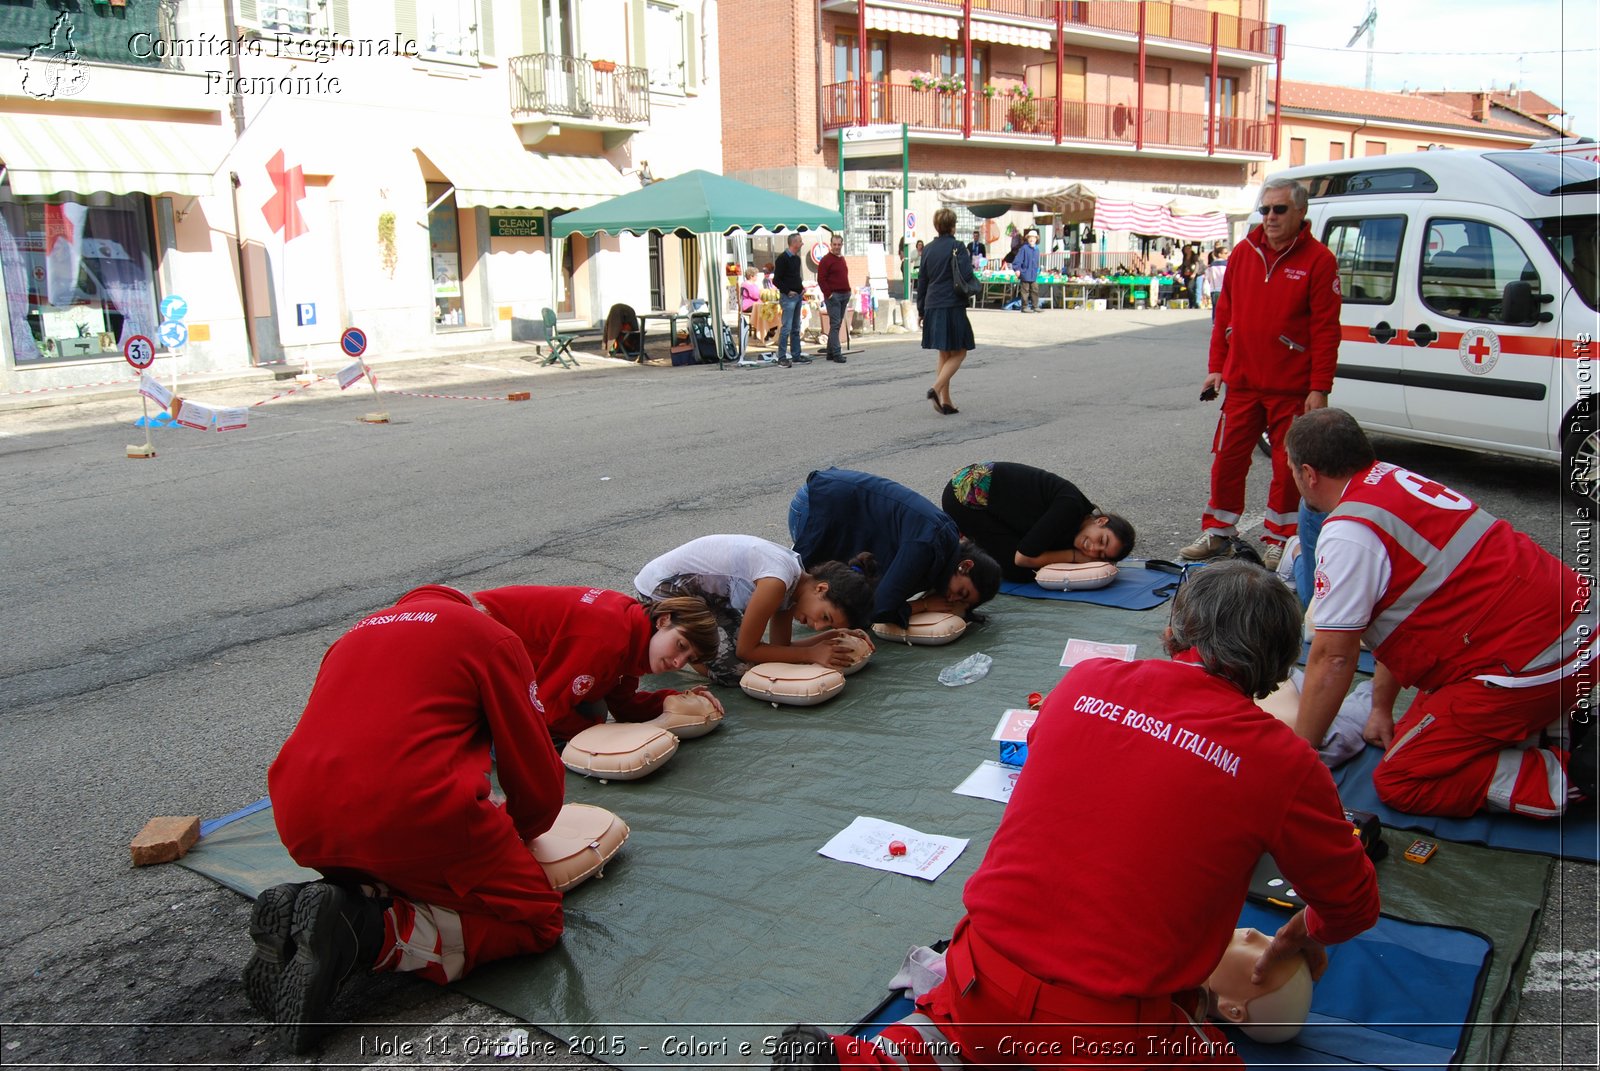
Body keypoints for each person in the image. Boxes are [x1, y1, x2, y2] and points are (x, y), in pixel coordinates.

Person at [772, 562, 1380, 1069]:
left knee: (959, 1030)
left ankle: (887, 1056)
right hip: (1109, 1025)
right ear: (1277, 666)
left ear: (1175, 632)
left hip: (984, 969)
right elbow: (1353, 902)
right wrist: (1304, 932)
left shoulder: (1085, 681)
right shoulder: (1282, 762)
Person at [257, 585, 567, 1053]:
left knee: (403, 867)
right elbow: (534, 767)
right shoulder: (490, 635)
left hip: (301, 820)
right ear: (469, 606)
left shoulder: (352, 636)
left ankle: (336, 900)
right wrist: (521, 834)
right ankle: (367, 936)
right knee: (535, 922)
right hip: (412, 813)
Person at [1287, 408, 1597, 817]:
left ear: (1309, 474)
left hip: (1536, 660)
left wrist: (1300, 760)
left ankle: (1571, 778)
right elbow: (1401, 610)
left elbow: (1334, 656)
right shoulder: (1392, 479)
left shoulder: (1349, 532)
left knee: (1402, 777)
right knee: (1419, 732)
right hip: (1572, 628)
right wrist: (1381, 708)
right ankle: (1556, 726)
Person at [1180, 176, 1341, 572]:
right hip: (1244, 384)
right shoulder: (1243, 252)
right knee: (1228, 459)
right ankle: (1219, 532)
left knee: (1289, 468)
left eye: (1279, 209)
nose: (1269, 217)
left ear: (1300, 213)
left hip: (1292, 387)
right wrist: (1216, 368)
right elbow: (1225, 317)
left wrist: (1319, 388)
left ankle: (1281, 539)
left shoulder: (1319, 261)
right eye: (1265, 209)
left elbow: (1326, 330)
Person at [473, 586, 723, 743]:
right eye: (680, 645)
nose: (679, 662)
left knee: (592, 707)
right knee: (545, 738)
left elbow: (622, 704)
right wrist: (608, 736)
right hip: (468, 648)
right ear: (663, 620)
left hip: (490, 648)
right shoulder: (606, 639)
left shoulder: (633, 629)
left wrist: (673, 700)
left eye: (689, 659)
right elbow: (549, 709)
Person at [634, 534, 877, 686]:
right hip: (665, 591)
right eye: (826, 618)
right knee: (737, 672)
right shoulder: (776, 583)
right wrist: (812, 654)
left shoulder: (793, 588)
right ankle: (653, 637)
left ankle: (688, 649)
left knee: (758, 660)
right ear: (821, 588)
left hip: (710, 602)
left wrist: (827, 639)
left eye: (828, 626)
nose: (817, 625)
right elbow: (748, 650)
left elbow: (778, 649)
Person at [789, 466, 1001, 628]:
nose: (952, 599)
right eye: (961, 593)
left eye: (961, 603)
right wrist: (923, 606)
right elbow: (878, 607)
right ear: (964, 566)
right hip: (816, 507)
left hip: (833, 505)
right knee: (793, 591)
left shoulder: (942, 549)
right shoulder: (929, 544)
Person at [940, 461, 1135, 584]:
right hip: (965, 496)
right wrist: (1075, 557)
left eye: (1100, 555)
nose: (1092, 550)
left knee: (1037, 560)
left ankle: (972, 541)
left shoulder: (1076, 525)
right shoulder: (1071, 508)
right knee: (1019, 573)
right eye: (1101, 540)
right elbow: (1022, 558)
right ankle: (961, 547)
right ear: (1101, 521)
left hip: (993, 505)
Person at [917, 207, 978, 416]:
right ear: (953, 226)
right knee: (960, 351)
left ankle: (947, 401)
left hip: (932, 304)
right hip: (952, 304)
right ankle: (935, 389)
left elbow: (922, 281)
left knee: (944, 351)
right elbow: (967, 273)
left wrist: (921, 310)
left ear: (936, 226)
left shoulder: (927, 249)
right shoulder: (957, 247)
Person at [772, 233, 809, 368]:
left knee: (796, 327)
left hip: (797, 295)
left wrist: (801, 288)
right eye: (800, 241)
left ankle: (796, 354)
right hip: (789, 297)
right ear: (793, 243)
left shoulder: (797, 259)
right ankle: (781, 356)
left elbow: (795, 277)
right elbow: (776, 280)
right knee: (786, 327)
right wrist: (788, 291)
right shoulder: (782, 259)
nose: (802, 244)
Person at [817, 232, 852, 363]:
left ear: (842, 245)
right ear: (830, 245)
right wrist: (829, 294)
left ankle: (830, 352)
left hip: (844, 294)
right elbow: (821, 279)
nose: (837, 247)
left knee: (836, 324)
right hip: (834, 296)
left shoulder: (841, 259)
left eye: (839, 244)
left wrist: (848, 291)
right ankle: (837, 353)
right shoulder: (826, 260)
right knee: (836, 324)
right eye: (834, 244)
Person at [1013, 228, 1040, 313]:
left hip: (1033, 274)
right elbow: (1018, 260)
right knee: (1025, 291)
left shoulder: (1037, 249)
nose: (1032, 239)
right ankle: (1024, 307)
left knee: (1035, 289)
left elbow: (1036, 262)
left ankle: (1035, 306)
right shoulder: (1024, 248)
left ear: (1036, 239)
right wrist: (1017, 269)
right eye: (1030, 238)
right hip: (1025, 273)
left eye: (1034, 238)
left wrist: (1038, 270)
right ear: (1027, 239)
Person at [1203, 241, 1229, 318]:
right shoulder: (1227, 265)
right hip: (1224, 289)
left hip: (1214, 290)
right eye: (1225, 253)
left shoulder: (1211, 266)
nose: (1227, 255)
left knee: (1215, 308)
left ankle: (1215, 323)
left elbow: (1207, 278)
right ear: (1219, 254)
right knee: (1226, 309)